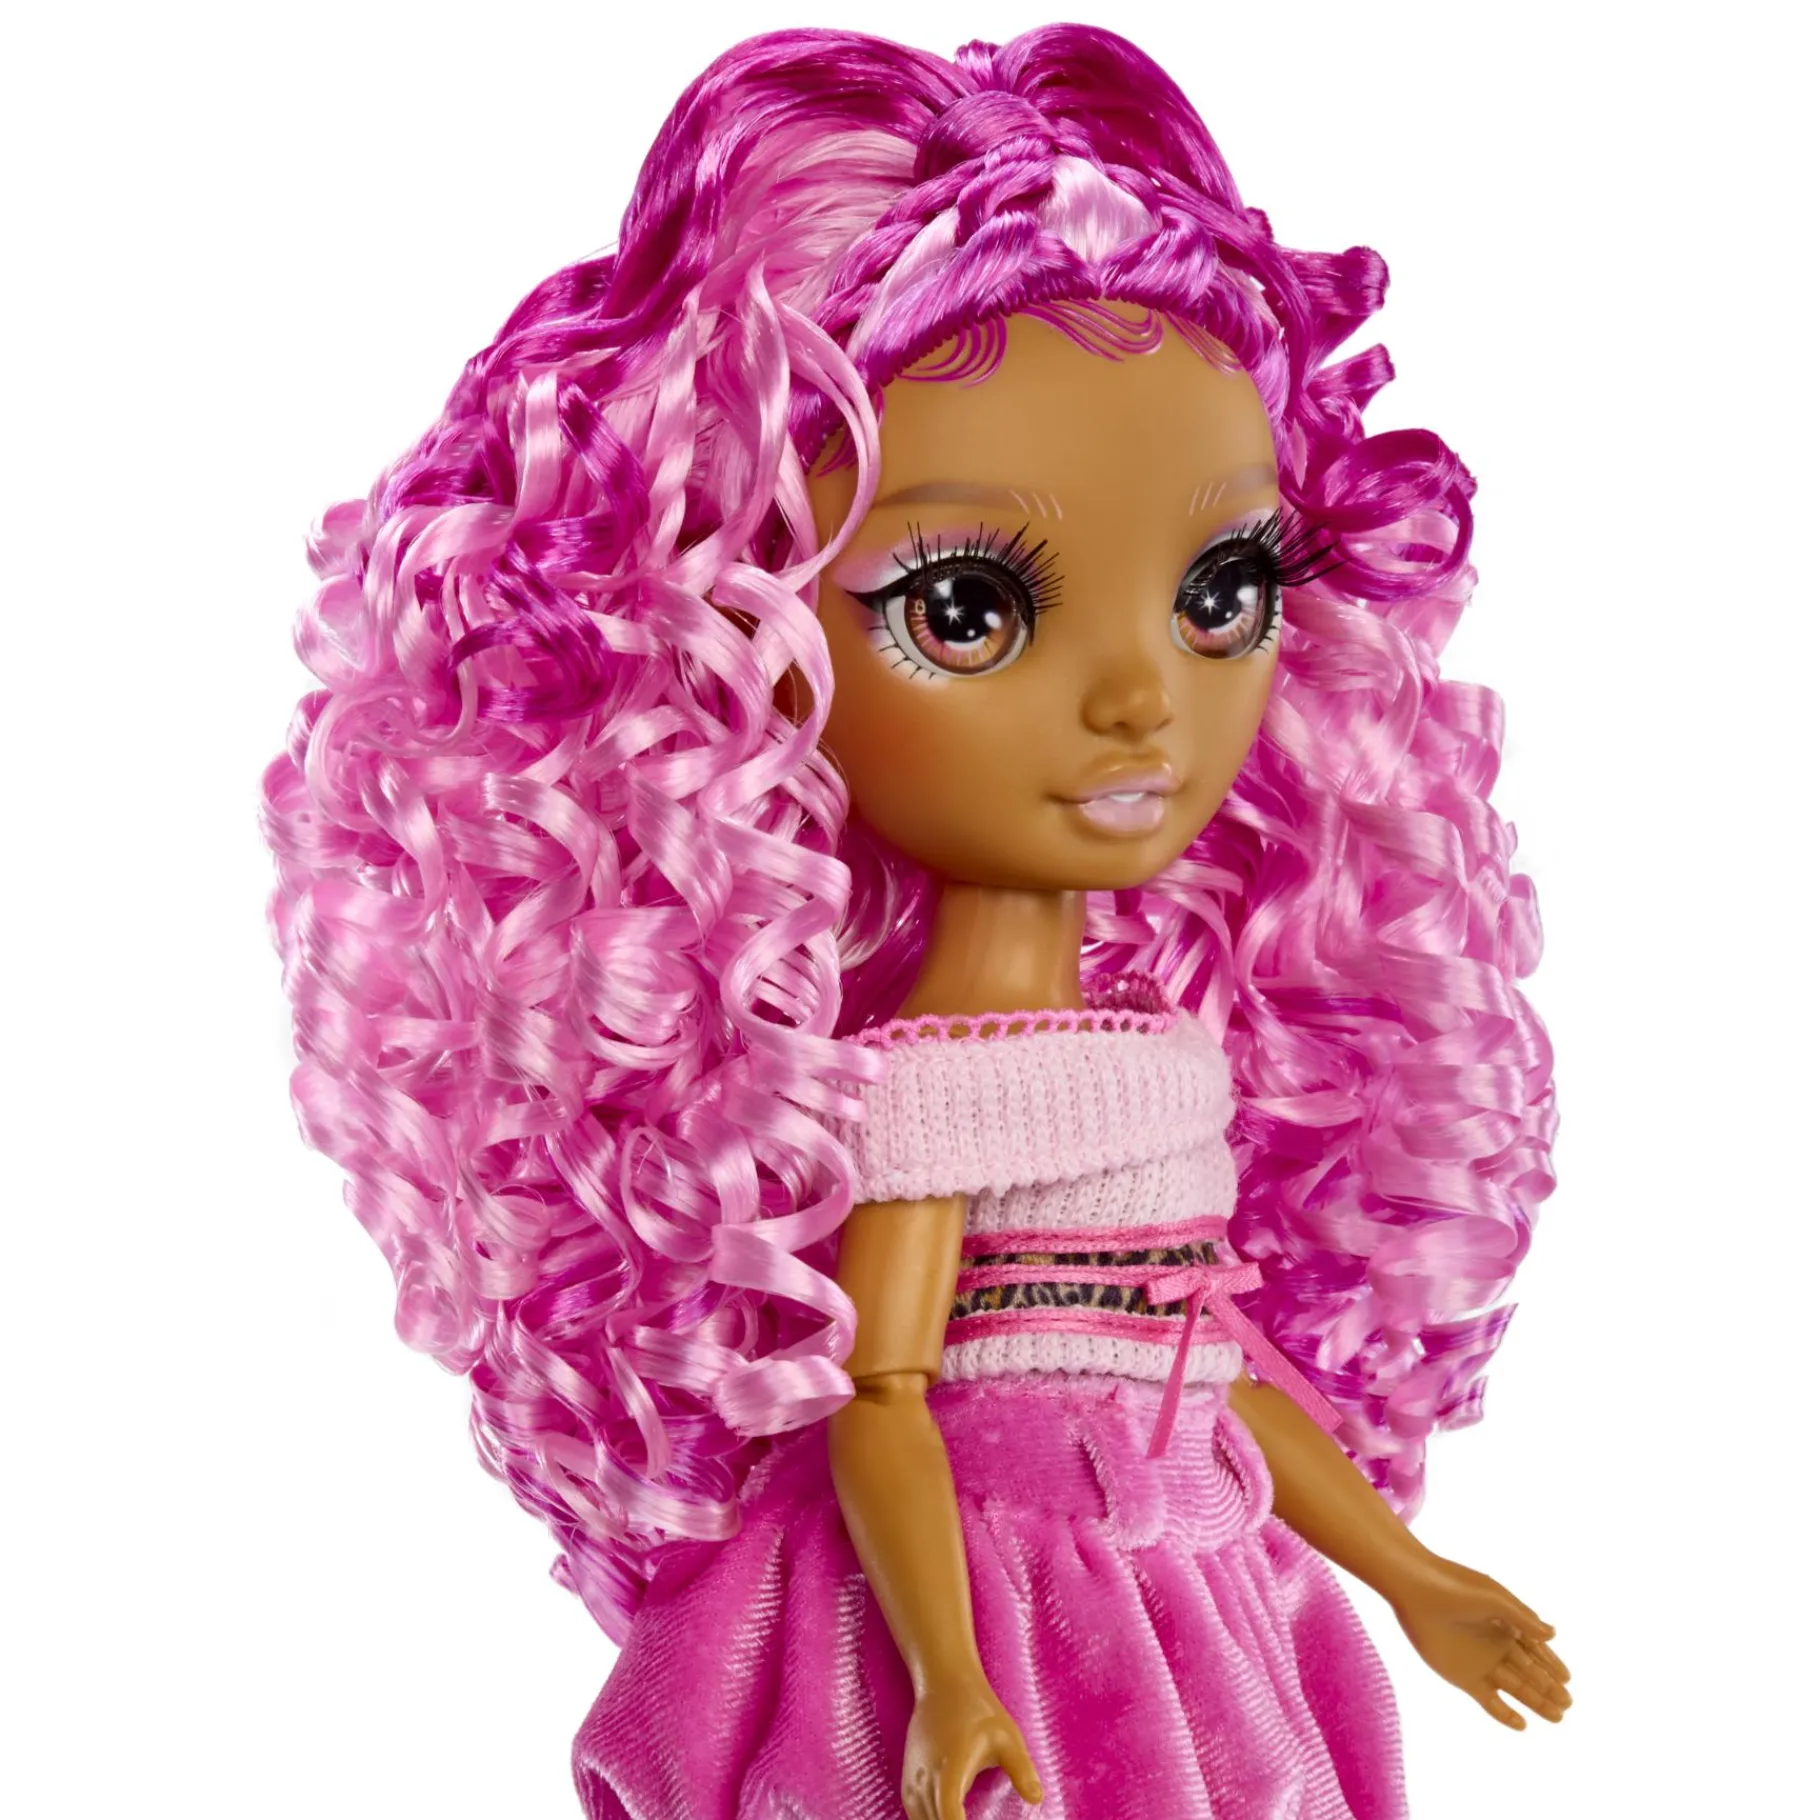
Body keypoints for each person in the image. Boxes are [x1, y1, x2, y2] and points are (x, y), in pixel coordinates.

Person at [263, 24, 1567, 1818]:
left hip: (1189, 1564)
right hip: (989, 1591)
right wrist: (950, 1678)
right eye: (967, 609)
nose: (1142, 701)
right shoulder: (919, 1097)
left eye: (1221, 589)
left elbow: (1203, 1364)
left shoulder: (1166, 1058)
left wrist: (1413, 1579)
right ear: (728, 651)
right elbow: (880, 1402)